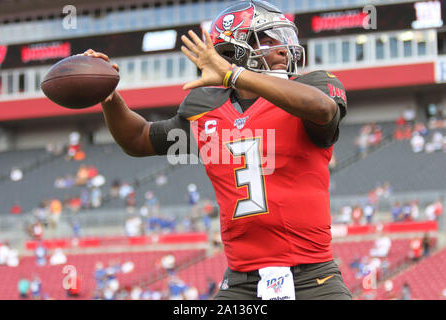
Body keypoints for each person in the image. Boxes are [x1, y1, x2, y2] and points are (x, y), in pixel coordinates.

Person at [84, 0, 350, 300]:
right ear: (232, 51)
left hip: (313, 276)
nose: (282, 49)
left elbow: (322, 109)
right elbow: (138, 138)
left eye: (283, 39)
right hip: (241, 281)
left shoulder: (313, 86)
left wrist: (232, 75)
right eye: (267, 39)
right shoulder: (205, 109)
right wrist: (109, 97)